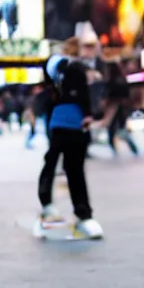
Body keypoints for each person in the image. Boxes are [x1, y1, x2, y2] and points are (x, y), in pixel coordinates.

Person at [35, 41, 103, 237]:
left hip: (64, 124)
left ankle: (53, 206)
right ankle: (79, 213)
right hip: (68, 124)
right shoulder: (73, 70)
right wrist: (88, 114)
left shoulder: (62, 71)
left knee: (59, 165)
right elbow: (83, 95)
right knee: (71, 168)